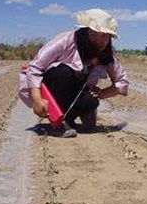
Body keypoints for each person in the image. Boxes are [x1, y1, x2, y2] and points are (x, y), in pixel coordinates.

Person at [18, 8, 129, 137]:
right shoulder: (65, 40)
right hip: (52, 85)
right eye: (93, 35)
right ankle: (59, 123)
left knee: (91, 100)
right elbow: (35, 67)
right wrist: (37, 100)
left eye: (105, 36)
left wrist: (102, 93)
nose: (100, 41)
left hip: (77, 91)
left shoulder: (106, 54)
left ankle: (70, 118)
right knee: (63, 73)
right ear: (84, 33)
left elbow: (122, 81)